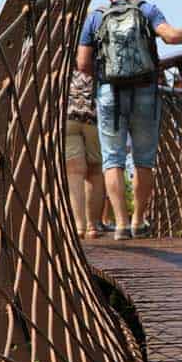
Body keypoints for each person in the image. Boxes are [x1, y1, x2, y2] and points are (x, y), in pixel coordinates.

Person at [76, 0, 182, 239]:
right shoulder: (146, 10)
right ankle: (138, 220)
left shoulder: (97, 16)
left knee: (113, 160)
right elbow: (169, 36)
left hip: (110, 92)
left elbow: (83, 63)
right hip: (145, 91)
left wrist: (104, 79)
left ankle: (120, 224)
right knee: (144, 160)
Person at [64, 67, 110, 240]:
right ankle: (93, 226)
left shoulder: (55, 46)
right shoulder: (92, 39)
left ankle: (78, 226)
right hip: (94, 110)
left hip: (67, 109)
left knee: (73, 171)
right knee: (96, 171)